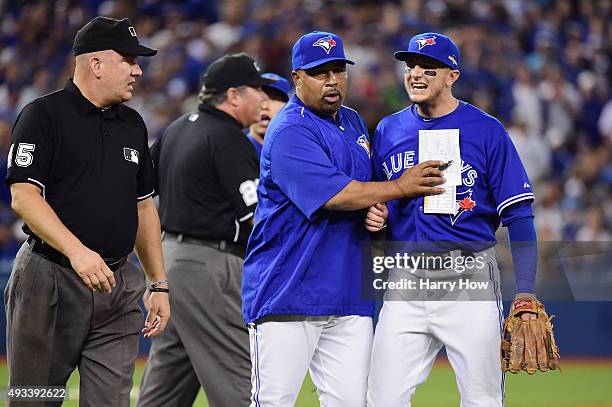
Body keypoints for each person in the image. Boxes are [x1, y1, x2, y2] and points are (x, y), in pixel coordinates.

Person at [242, 31, 446, 407]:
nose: (332, 80)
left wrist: (377, 210)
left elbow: (364, 190)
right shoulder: (289, 130)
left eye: (338, 70)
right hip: (288, 291)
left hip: (349, 293)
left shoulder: (352, 122)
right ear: (297, 78)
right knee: (273, 402)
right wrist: (399, 188)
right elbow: (336, 195)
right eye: (320, 73)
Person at [366, 32, 541, 406]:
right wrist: (375, 217)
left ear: (452, 76)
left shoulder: (487, 130)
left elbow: (520, 215)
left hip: (469, 281)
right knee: (380, 398)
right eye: (410, 66)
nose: (415, 74)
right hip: (406, 281)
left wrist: (525, 290)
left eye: (429, 68)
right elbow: (377, 203)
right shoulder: (387, 130)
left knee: (483, 400)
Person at [4, 16, 169, 406]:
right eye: (128, 59)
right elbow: (24, 197)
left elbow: (144, 205)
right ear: (95, 64)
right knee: (34, 400)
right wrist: (78, 252)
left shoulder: (132, 124)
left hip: (119, 282)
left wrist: (158, 282)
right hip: (51, 277)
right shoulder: (43, 115)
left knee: (111, 402)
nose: (138, 69)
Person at [137, 53, 275, 407]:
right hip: (208, 266)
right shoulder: (228, 138)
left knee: (166, 383)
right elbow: (256, 219)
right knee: (239, 381)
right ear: (233, 95)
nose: (263, 98)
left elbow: (138, 190)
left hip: (169, 261)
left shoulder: (179, 126)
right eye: (256, 89)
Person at [246, 72, 291, 158]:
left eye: (273, 99)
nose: (265, 106)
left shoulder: (296, 151)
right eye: (260, 99)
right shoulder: (237, 150)